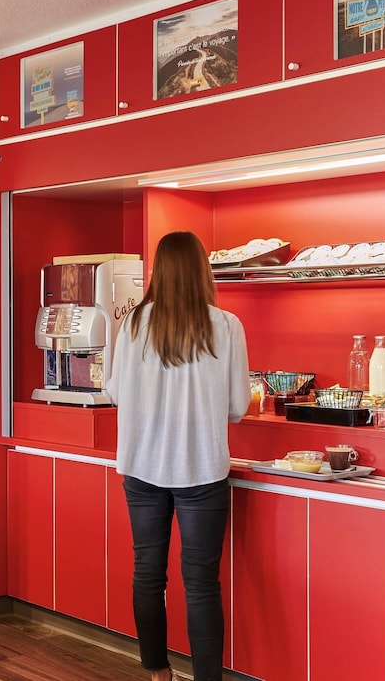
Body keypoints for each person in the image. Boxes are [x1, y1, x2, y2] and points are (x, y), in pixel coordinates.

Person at [107, 231, 250, 681]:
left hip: (141, 468)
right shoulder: (226, 325)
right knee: (201, 583)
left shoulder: (132, 325)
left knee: (147, 573)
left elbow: (114, 392)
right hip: (202, 469)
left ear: (159, 271)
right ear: (203, 271)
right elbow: (238, 407)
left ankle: (158, 672)